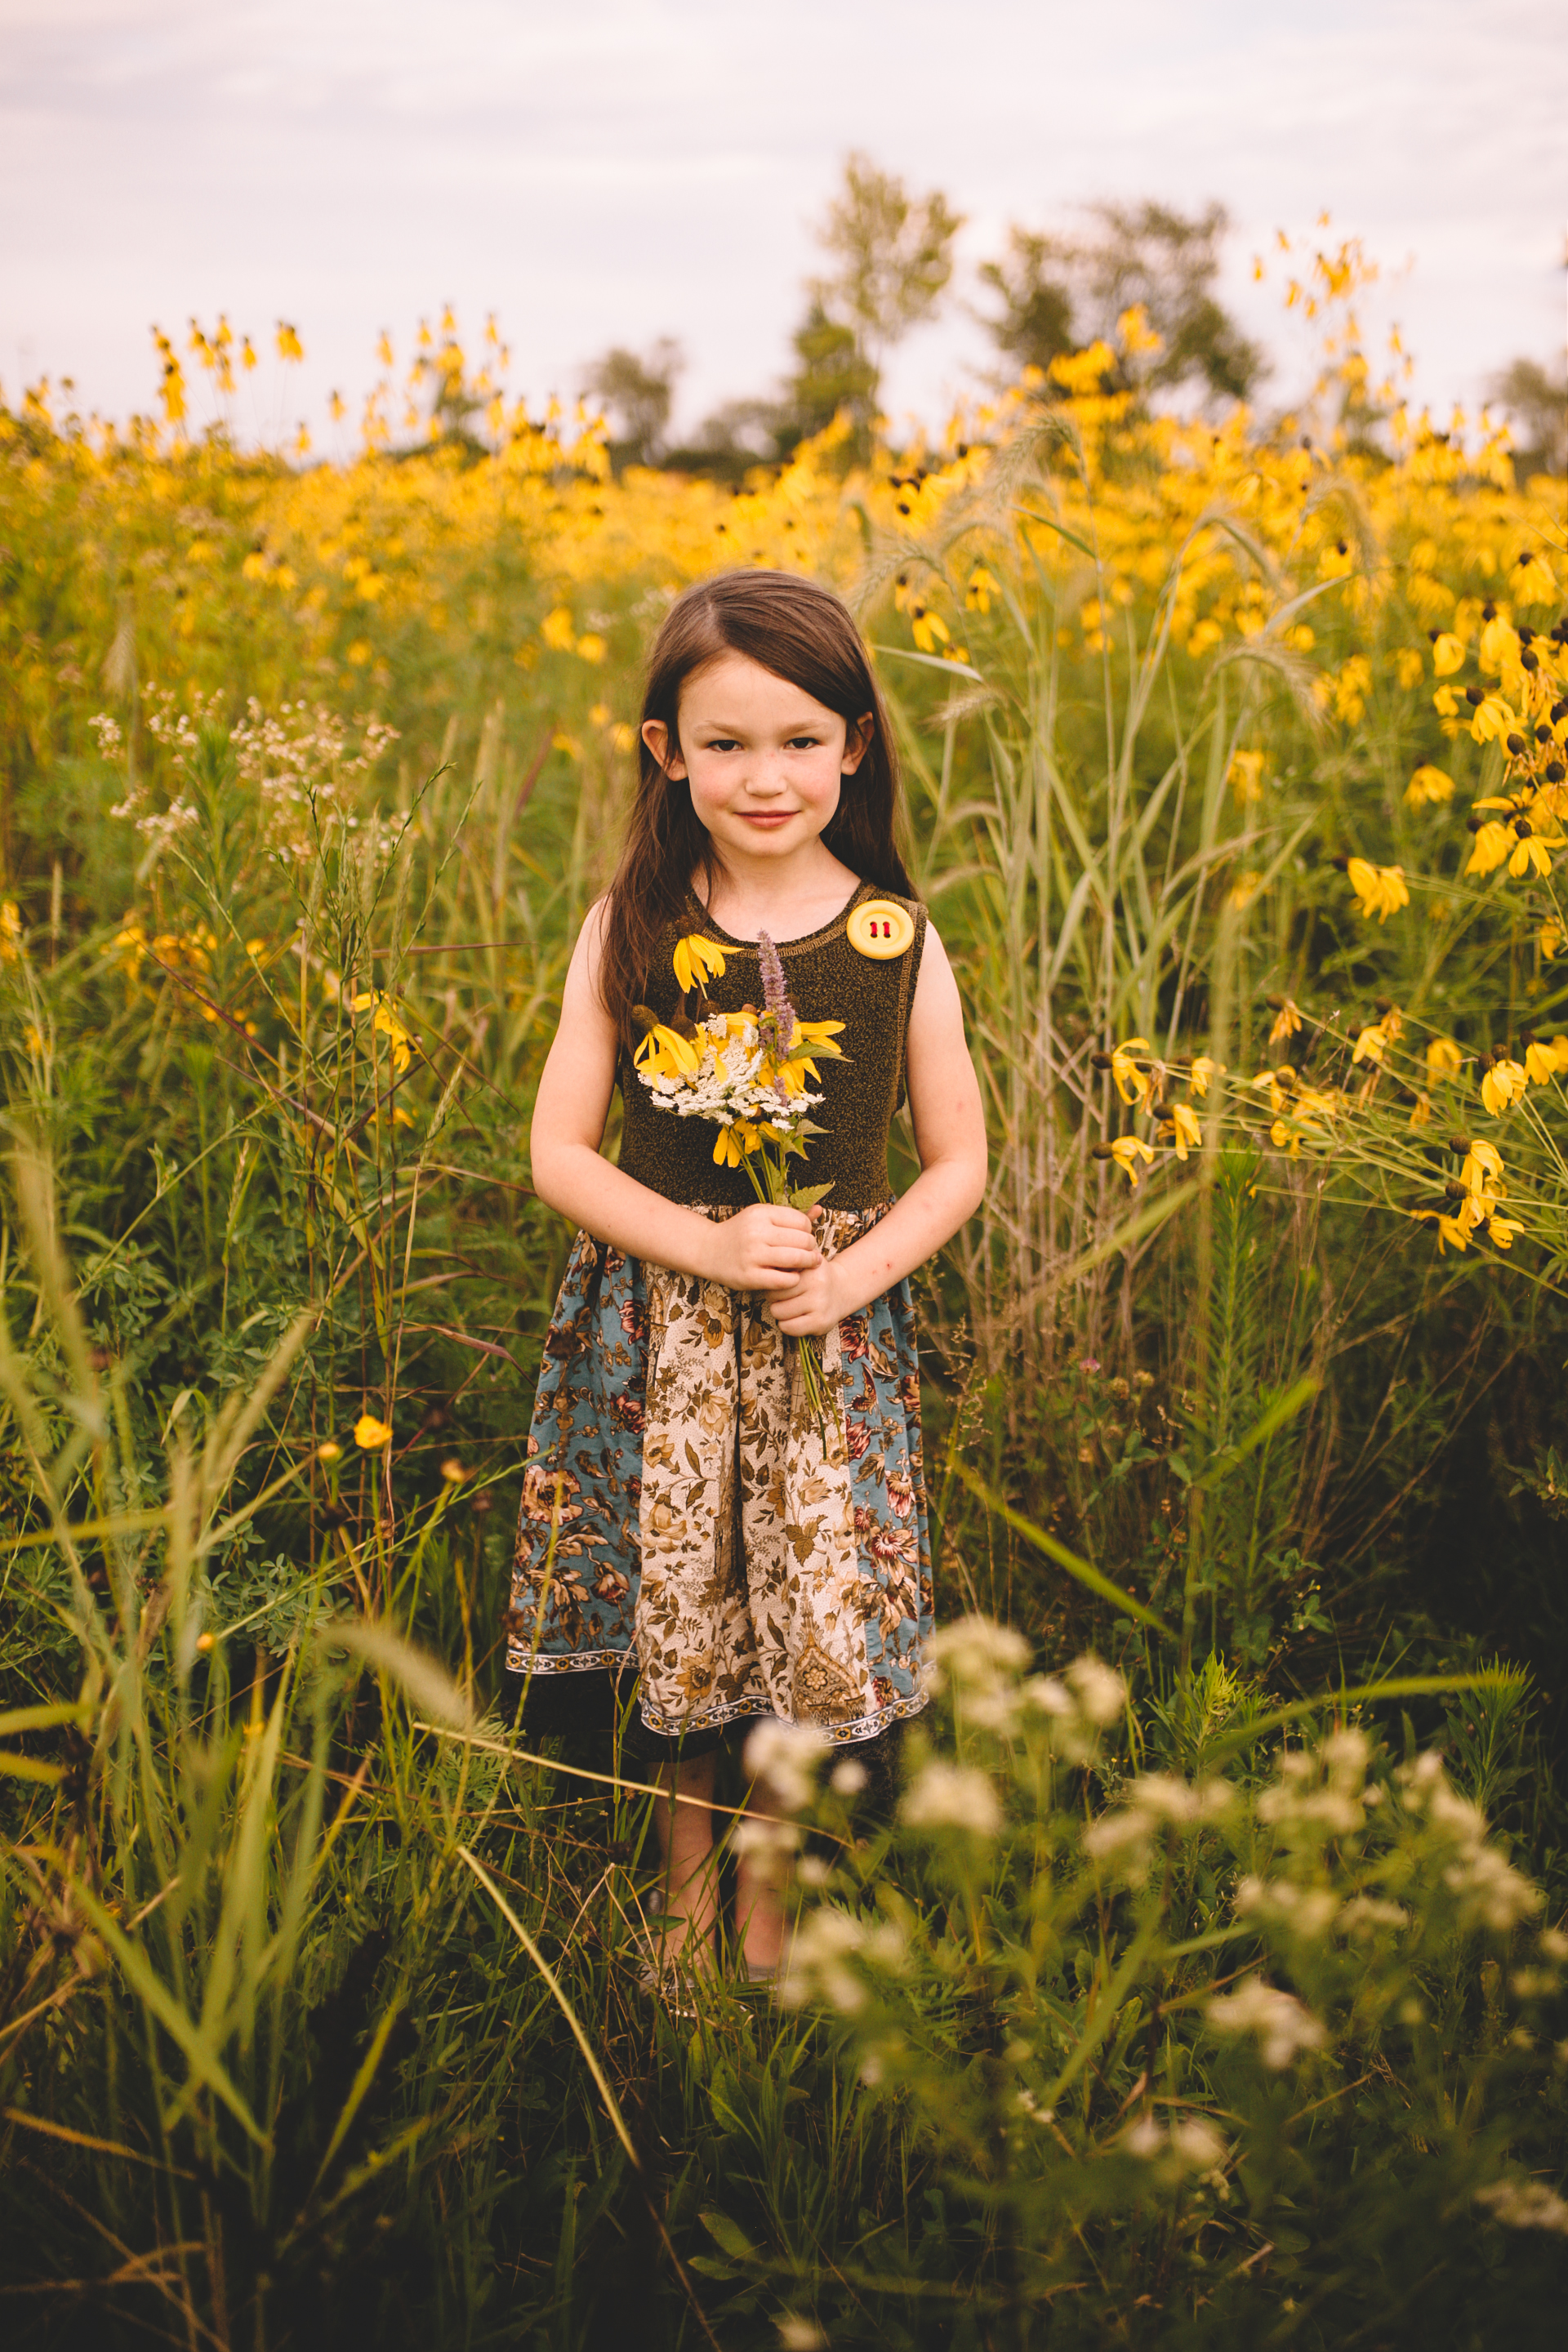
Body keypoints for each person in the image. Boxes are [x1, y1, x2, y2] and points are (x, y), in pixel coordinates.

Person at [503, 567, 986, 1985]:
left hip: (820, 1348)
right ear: (667, 753)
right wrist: (703, 1242)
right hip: (659, 1329)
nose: (762, 776)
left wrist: (854, 1277)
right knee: (683, 1607)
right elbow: (557, 1153)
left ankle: (766, 1905)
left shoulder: (892, 940)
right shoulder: (636, 922)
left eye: (797, 739)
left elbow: (957, 1162)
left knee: (790, 1618)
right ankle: (681, 1898)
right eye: (723, 744)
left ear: (856, 744)